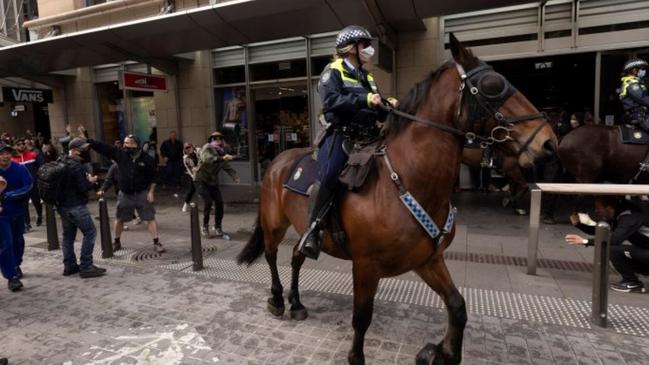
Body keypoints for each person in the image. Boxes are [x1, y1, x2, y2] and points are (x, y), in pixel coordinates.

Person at [298, 25, 395, 259]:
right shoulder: (333, 70)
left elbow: (377, 107)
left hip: (369, 135)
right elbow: (332, 101)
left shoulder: (368, 76)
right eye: (365, 45)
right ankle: (312, 232)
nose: (369, 49)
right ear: (351, 48)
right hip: (341, 135)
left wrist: (387, 105)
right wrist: (366, 99)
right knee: (330, 174)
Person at [85, 129, 165, 253]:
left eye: (127, 143)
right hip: (125, 194)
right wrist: (89, 141)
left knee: (150, 218)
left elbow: (154, 177)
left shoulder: (147, 159)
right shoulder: (121, 154)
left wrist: (151, 192)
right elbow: (105, 148)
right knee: (119, 219)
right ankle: (116, 242)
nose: (124, 146)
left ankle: (156, 242)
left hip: (142, 193)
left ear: (135, 145)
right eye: (124, 143)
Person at [566, 196, 649, 293]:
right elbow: (600, 231)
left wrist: (585, 241)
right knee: (619, 250)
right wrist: (578, 224)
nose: (596, 211)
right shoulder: (620, 215)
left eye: (598, 208)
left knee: (613, 249)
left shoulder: (629, 217)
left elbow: (614, 240)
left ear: (609, 208)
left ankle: (633, 283)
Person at [57, 138, 106, 278]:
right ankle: (86, 266)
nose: (84, 152)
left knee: (68, 236)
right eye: (81, 150)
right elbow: (83, 188)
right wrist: (92, 181)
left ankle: (70, 266)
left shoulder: (61, 161)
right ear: (73, 150)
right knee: (90, 232)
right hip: (76, 205)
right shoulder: (76, 166)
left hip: (63, 206)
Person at [195, 131, 240, 237]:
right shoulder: (207, 148)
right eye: (215, 138)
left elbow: (227, 166)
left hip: (212, 182)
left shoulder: (222, 152)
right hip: (201, 180)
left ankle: (217, 226)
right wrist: (222, 158)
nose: (218, 140)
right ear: (211, 140)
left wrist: (234, 176)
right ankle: (205, 226)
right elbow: (207, 159)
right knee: (208, 202)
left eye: (220, 138)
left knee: (219, 203)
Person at [0, 142, 32, 290]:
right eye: (1, 153)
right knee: (6, 243)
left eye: (7, 153)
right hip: (2, 214)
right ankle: (11, 276)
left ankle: (16, 264)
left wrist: (9, 195)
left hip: (18, 211)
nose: (5, 156)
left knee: (18, 240)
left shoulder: (19, 169)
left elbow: (28, 185)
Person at [11, 137, 44, 231]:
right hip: (21, 186)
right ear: (14, 146)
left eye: (22, 143)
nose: (21, 145)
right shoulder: (12, 159)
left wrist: (38, 178)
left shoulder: (32, 155)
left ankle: (40, 216)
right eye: (18, 144)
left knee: (37, 202)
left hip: (33, 183)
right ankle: (27, 224)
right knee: (24, 205)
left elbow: (41, 167)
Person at [619, 58, 649, 132]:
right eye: (642, 69)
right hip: (637, 116)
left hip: (643, 115)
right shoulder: (632, 84)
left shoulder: (638, 83)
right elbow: (644, 99)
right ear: (634, 70)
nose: (644, 71)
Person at [182, 143, 198, 212]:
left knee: (204, 189)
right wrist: (193, 177)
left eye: (189, 147)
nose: (189, 149)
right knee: (191, 190)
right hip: (193, 175)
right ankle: (185, 204)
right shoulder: (186, 158)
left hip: (201, 173)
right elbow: (189, 169)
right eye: (187, 148)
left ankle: (210, 205)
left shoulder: (197, 152)